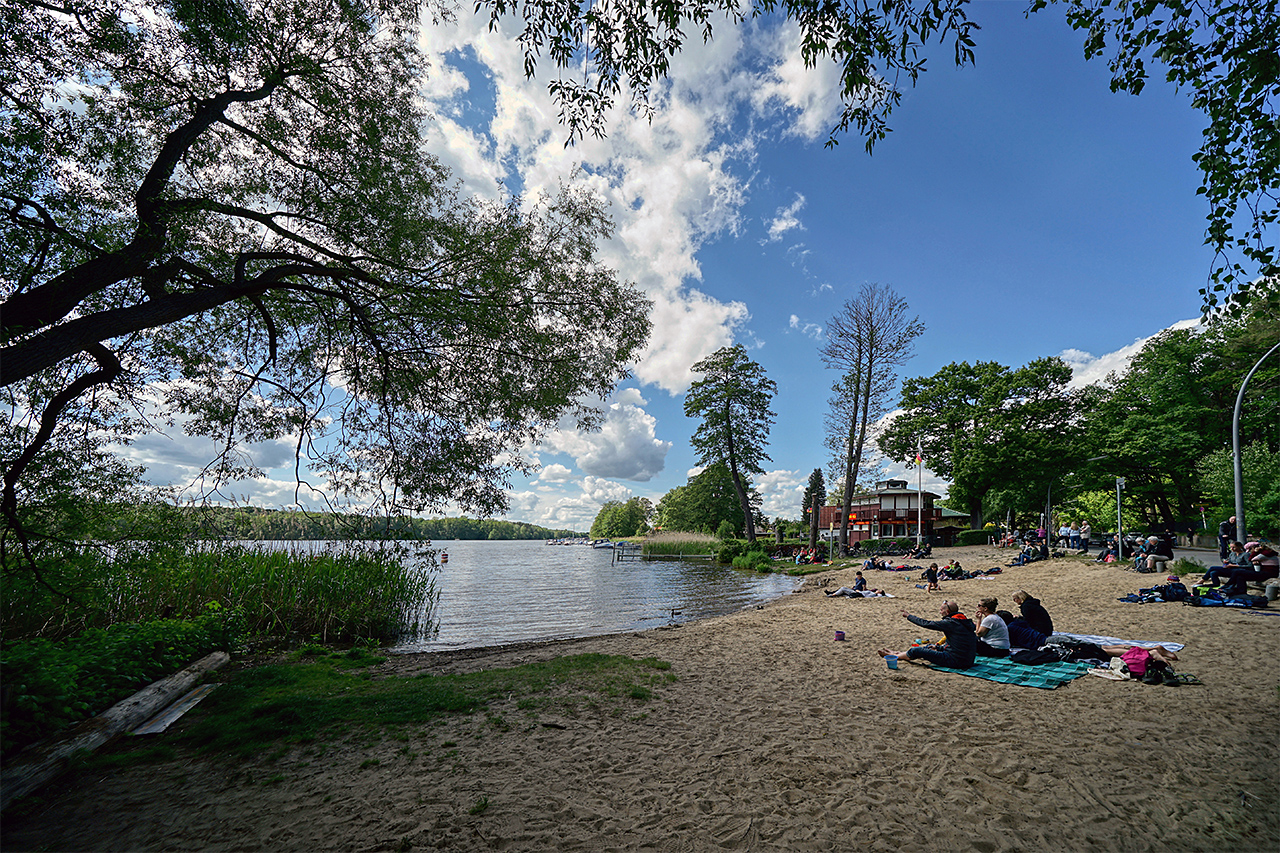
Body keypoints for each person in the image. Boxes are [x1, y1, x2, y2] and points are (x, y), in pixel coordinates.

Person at [875, 601, 977, 669]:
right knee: (929, 647)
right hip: (967, 659)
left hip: (957, 661)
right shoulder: (963, 620)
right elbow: (959, 644)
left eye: (941, 610)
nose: (940, 612)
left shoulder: (951, 623)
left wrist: (909, 616)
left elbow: (927, 624)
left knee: (916, 650)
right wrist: (938, 647)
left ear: (947, 612)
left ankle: (895, 656)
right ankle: (897, 653)